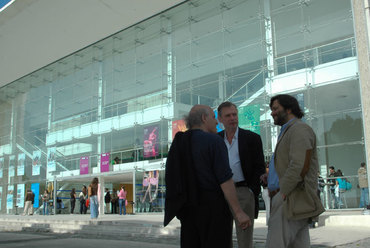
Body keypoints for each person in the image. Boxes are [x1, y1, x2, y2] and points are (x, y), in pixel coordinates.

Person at [164, 104, 251, 248]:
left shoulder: (179, 142)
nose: (217, 122)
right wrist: (238, 211)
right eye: (213, 117)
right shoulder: (214, 141)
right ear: (204, 118)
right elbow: (225, 179)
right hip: (213, 211)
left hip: (188, 211)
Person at [264, 94, 324, 248]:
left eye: (276, 108)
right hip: (289, 199)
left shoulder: (299, 129)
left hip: (289, 199)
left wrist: (282, 192)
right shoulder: (289, 130)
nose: (272, 113)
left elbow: (300, 165)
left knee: (274, 244)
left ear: (289, 108)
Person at [217, 101, 265, 248]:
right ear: (220, 119)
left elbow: (260, 167)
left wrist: (252, 191)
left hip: (244, 191)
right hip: (221, 194)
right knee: (222, 237)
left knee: (245, 239)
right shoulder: (215, 140)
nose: (233, 118)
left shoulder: (252, 138)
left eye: (234, 114)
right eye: (228, 115)